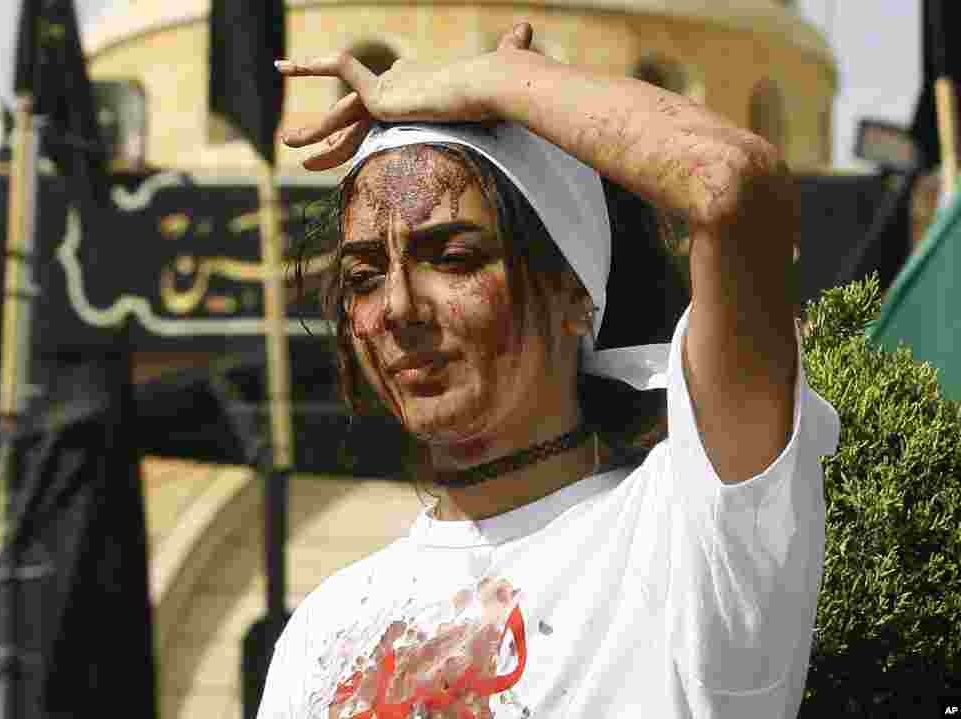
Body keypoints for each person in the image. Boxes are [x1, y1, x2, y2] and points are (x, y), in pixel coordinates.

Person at [258, 21, 841, 719]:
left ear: (573, 291)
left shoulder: (688, 533)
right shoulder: (321, 633)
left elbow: (732, 183)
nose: (398, 308)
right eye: (364, 275)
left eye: (453, 257)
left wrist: (482, 82)